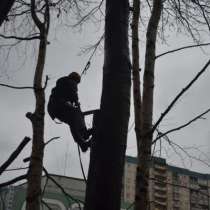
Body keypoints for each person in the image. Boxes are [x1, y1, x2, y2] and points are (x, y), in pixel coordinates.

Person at [47, 72, 92, 152]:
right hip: (58, 107)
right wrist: (76, 103)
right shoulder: (70, 82)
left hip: (54, 109)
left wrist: (75, 105)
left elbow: (69, 96)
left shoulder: (63, 83)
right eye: (77, 83)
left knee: (77, 115)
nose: (77, 85)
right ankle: (82, 142)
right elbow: (74, 96)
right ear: (75, 80)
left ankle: (83, 133)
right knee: (74, 117)